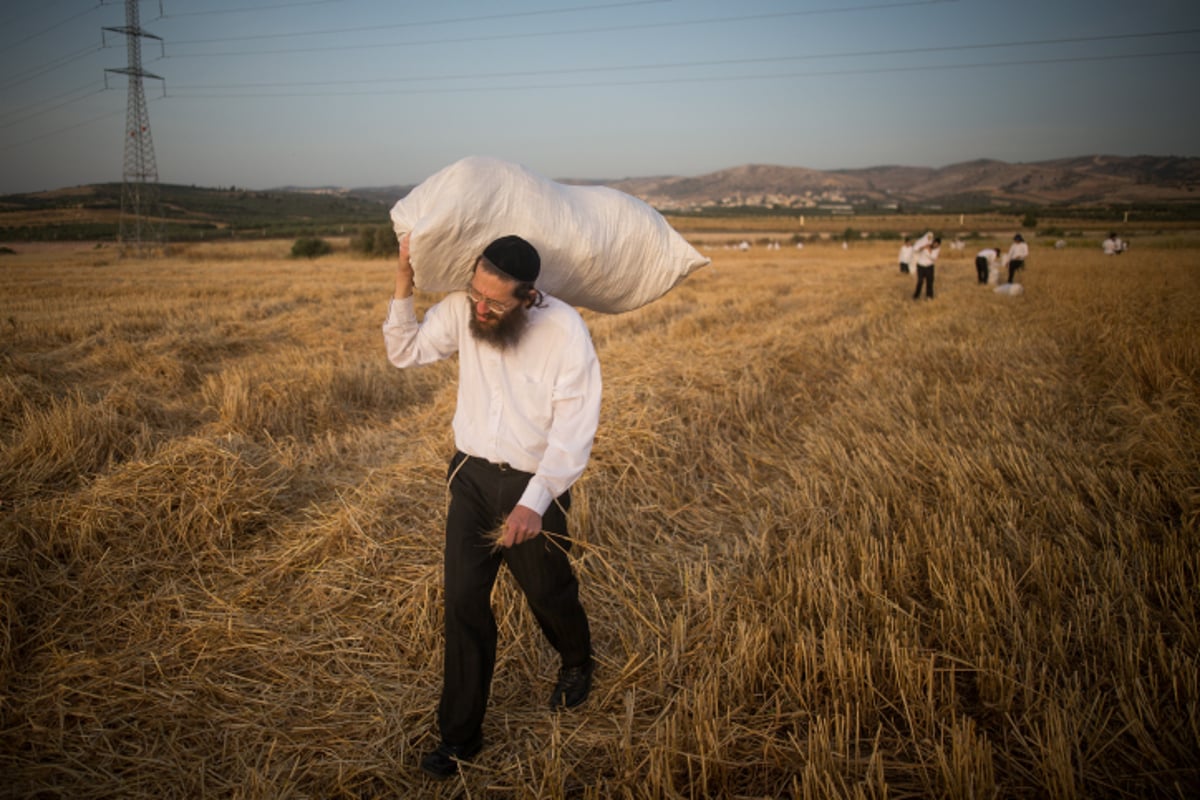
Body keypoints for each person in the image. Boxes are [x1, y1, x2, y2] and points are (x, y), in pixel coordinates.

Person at [383, 233, 601, 780]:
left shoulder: (564, 331)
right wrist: (403, 286)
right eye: (476, 294)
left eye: (495, 303)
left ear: (528, 297)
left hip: (535, 485)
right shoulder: (464, 309)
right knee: (462, 604)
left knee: (548, 593)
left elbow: (574, 431)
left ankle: (576, 661)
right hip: (472, 481)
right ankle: (459, 737)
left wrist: (533, 504)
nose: (481, 308)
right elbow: (404, 351)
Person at [912, 234, 940, 300]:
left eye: (937, 245)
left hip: (929, 267)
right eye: (934, 243)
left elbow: (933, 257)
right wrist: (923, 247)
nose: (935, 245)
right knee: (920, 281)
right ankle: (916, 296)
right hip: (921, 266)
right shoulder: (925, 244)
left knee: (929, 282)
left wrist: (929, 250)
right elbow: (916, 249)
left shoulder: (937, 249)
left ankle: (929, 296)